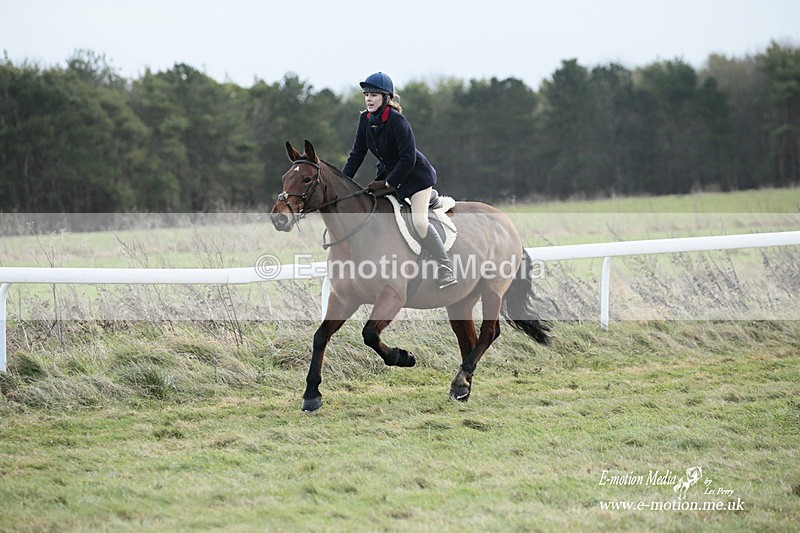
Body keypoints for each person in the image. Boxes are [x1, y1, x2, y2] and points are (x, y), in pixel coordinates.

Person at [342, 72, 457, 289]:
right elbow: (357, 154)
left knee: (419, 222)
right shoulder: (364, 120)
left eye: (374, 94)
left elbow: (408, 158)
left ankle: (445, 268)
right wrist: (343, 182)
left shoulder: (396, 120)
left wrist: (388, 184)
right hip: (390, 176)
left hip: (415, 178)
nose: (368, 99)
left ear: (386, 97)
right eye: (366, 94)